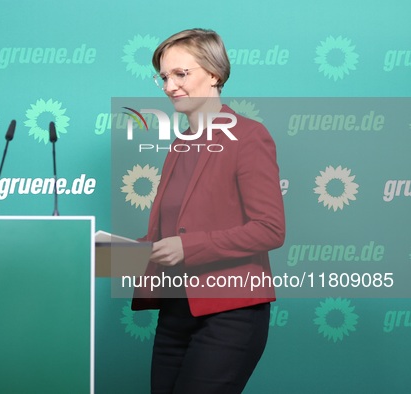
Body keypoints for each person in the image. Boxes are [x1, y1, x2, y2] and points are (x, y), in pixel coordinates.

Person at [131, 28, 286, 393]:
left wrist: (189, 248)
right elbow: (162, 241)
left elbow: (270, 229)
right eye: (164, 77)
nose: (169, 87)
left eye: (181, 74)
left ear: (214, 74)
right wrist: (100, 257)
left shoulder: (248, 137)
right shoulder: (179, 145)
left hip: (230, 314)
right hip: (175, 313)